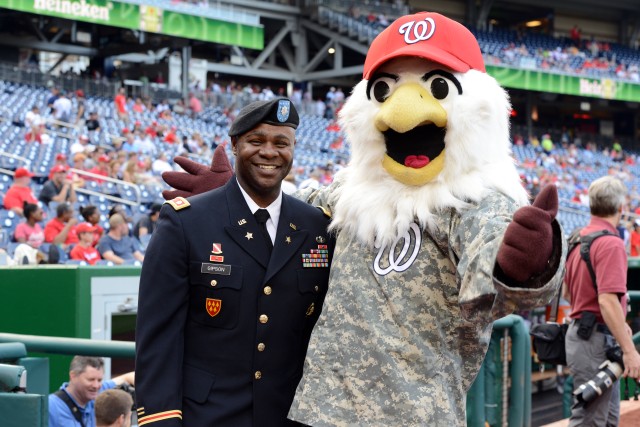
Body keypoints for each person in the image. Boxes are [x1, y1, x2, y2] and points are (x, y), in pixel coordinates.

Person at [135, 98, 334, 425]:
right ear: (234, 145)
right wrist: (161, 420)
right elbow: (158, 339)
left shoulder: (316, 227)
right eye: (256, 141)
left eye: (281, 143)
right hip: (208, 416)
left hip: (291, 416)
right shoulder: (185, 222)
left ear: (294, 149)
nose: (269, 152)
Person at [564, 176, 640, 426]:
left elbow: (567, 293)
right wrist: (630, 351)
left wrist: (618, 325)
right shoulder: (610, 243)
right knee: (591, 421)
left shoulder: (578, 237)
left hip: (588, 336)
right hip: (594, 341)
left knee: (606, 419)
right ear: (620, 208)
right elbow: (607, 301)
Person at [48, 356, 134, 427]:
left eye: (99, 380)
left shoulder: (97, 391)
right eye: (90, 380)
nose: (96, 385)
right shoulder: (51, 406)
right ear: (73, 376)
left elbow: (128, 377)